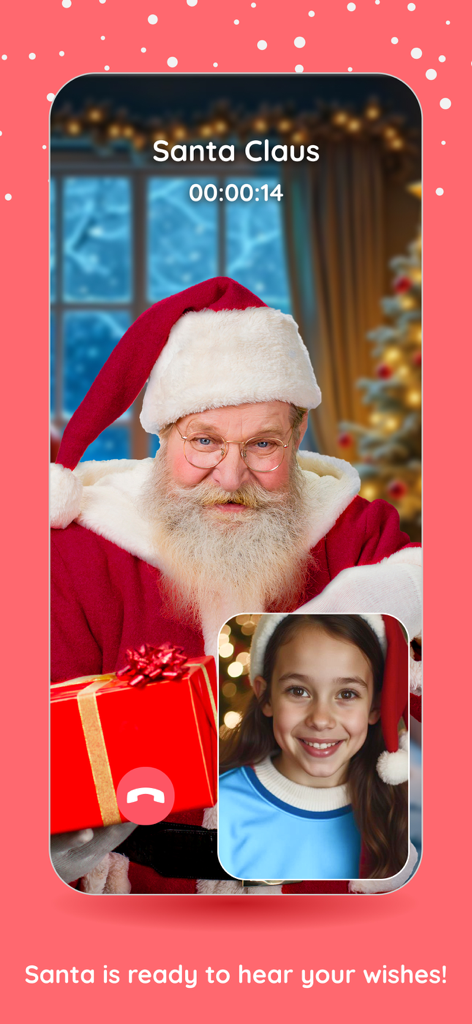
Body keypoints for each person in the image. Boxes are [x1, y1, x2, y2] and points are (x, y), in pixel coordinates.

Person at [50, 276, 422, 893]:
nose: (231, 473)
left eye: (262, 445)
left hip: (318, 883)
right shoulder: (84, 547)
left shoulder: (350, 530)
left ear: (298, 436)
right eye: (203, 442)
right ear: (162, 436)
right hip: (132, 889)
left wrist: (368, 609)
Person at [218, 614, 410, 889]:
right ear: (266, 696)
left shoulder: (404, 812)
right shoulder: (220, 807)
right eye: (298, 691)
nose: (321, 719)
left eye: (346, 694)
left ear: (375, 706)